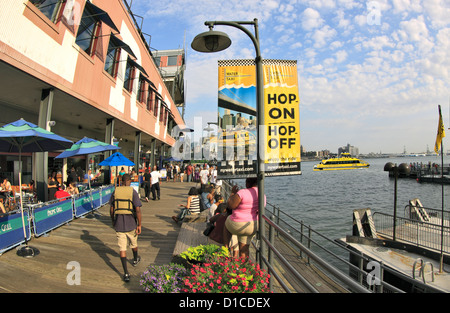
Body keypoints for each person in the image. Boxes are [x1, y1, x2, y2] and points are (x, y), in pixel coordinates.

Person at [109, 174, 142, 282]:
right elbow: (137, 210)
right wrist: (139, 224)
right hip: (131, 223)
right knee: (134, 243)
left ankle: (126, 273)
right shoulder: (133, 192)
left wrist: (113, 221)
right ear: (130, 181)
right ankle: (135, 259)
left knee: (122, 248)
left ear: (122, 181)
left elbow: (111, 209)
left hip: (119, 223)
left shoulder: (116, 191)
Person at [224, 177, 266, 259]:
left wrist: (232, 193)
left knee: (227, 222)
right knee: (244, 249)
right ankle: (243, 268)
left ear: (248, 182)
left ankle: (225, 248)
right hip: (252, 225)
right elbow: (260, 209)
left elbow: (231, 205)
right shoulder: (262, 194)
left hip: (236, 224)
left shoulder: (242, 192)